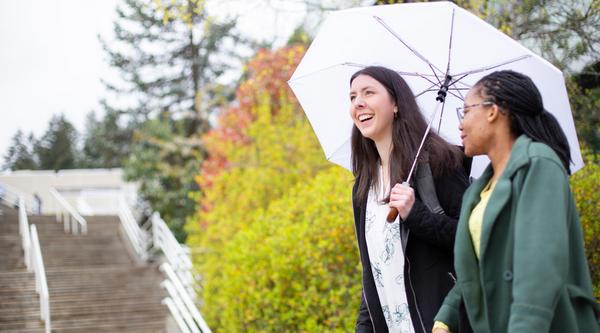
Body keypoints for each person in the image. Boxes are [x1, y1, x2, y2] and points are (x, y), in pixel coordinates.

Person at [433, 70, 600, 333]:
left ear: (492, 111)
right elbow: (479, 269)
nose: (460, 124)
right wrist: (446, 317)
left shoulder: (538, 164)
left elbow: (540, 265)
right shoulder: (477, 191)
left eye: (465, 111)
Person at [349, 66, 471, 333]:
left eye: (368, 92)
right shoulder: (363, 187)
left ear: (395, 104)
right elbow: (373, 272)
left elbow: (472, 239)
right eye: (353, 97)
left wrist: (416, 214)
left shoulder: (439, 162)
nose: (358, 102)